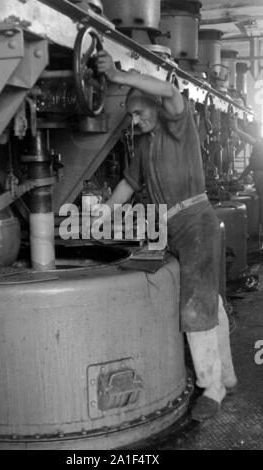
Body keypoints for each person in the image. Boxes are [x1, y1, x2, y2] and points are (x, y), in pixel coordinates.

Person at [95, 50, 237, 422]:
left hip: (194, 220)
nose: (136, 120)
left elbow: (166, 89)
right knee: (209, 300)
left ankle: (212, 387)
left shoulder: (179, 122)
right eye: (132, 116)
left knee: (195, 305)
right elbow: (129, 183)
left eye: (140, 112)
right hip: (168, 226)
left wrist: (118, 75)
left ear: (156, 107)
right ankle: (228, 374)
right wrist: (103, 214)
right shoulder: (142, 145)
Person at [230, 118, 263, 228]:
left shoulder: (259, 142)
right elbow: (250, 166)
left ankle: (260, 230)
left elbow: (252, 141)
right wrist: (239, 179)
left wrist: (236, 129)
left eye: (250, 126)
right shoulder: (258, 144)